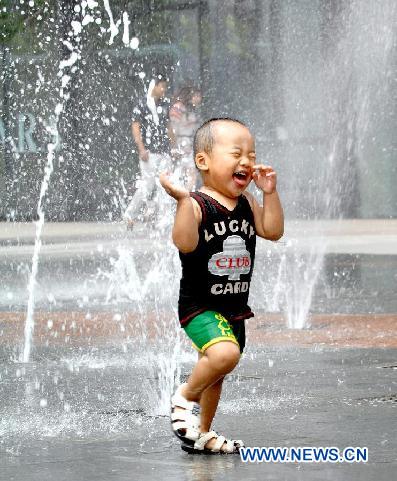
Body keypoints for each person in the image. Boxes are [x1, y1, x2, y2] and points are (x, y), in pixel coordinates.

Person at [159, 118, 284, 454]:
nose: (246, 161)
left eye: (251, 154)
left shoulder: (246, 204)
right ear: (204, 162)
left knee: (217, 373)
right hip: (200, 307)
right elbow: (183, 242)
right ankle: (183, 399)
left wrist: (269, 194)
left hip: (234, 308)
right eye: (236, 153)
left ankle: (201, 433)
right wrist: (183, 201)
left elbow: (272, 231)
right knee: (224, 354)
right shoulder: (199, 204)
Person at [124, 75, 174, 228]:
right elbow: (135, 128)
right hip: (149, 153)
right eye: (162, 86)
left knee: (165, 185)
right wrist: (141, 149)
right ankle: (129, 215)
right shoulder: (142, 104)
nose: (164, 90)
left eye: (165, 87)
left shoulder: (165, 105)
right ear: (154, 86)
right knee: (148, 185)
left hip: (164, 152)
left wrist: (173, 148)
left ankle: (164, 218)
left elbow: (169, 127)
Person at [169, 85, 202, 190]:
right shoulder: (178, 108)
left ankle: (187, 197)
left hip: (189, 144)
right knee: (178, 173)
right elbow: (171, 129)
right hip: (181, 143)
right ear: (189, 96)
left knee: (191, 173)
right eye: (196, 96)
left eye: (200, 96)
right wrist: (173, 147)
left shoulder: (193, 110)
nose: (198, 99)